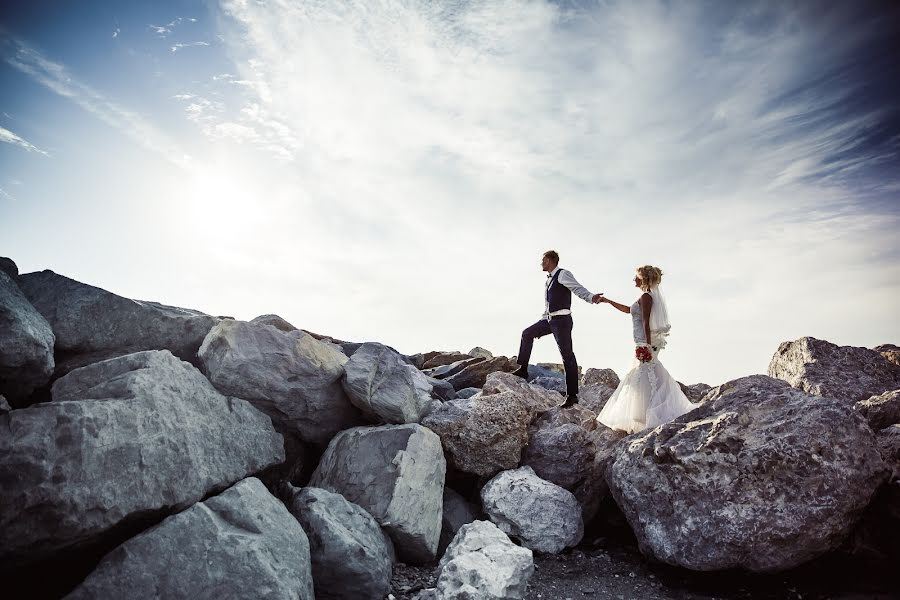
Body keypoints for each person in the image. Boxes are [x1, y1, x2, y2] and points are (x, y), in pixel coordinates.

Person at [595, 265, 695, 433]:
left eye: (636, 276)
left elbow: (645, 322)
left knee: (644, 374)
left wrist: (647, 346)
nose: (634, 279)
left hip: (645, 342)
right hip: (641, 342)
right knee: (647, 374)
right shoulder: (643, 297)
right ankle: (648, 413)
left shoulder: (647, 297)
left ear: (643, 279)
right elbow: (629, 310)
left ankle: (652, 413)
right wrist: (608, 301)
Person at [513, 250, 603, 407]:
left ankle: (572, 395)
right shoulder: (548, 280)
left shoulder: (563, 274)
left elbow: (577, 288)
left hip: (562, 321)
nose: (541, 263)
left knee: (567, 355)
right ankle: (523, 369)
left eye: (543, 260)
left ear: (549, 260)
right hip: (549, 320)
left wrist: (591, 297)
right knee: (527, 333)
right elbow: (549, 305)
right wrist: (543, 320)